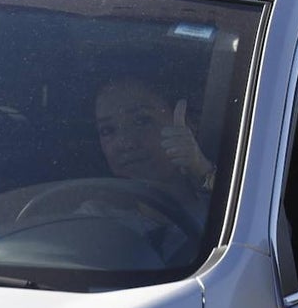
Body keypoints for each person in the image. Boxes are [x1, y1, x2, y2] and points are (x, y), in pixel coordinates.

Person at [85, 75, 216, 264]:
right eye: (108, 130)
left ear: (189, 123)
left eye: (142, 121)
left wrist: (203, 169)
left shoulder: (230, 216)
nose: (125, 143)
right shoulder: (93, 221)